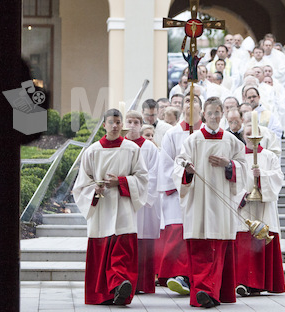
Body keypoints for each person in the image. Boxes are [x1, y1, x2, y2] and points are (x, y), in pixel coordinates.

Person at [173, 97, 247, 308]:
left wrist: (230, 164)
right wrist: (186, 170)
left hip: (221, 204)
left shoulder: (232, 141)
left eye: (217, 112)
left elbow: (244, 168)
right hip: (197, 202)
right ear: (203, 114)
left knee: (217, 248)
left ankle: (209, 292)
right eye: (210, 112)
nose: (214, 116)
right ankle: (204, 291)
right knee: (200, 249)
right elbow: (178, 166)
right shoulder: (192, 140)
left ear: (222, 114)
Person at [72, 108, 148, 305]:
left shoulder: (132, 149)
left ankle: (120, 286)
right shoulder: (92, 151)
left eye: (118, 122)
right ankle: (106, 293)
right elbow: (81, 184)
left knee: (121, 252)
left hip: (123, 207)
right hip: (102, 207)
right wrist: (94, 189)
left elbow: (142, 178)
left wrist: (121, 182)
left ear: (122, 125)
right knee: (103, 249)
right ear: (103, 125)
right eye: (111, 122)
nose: (115, 126)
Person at [156, 94, 203, 296]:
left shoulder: (208, 134)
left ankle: (197, 276)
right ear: (181, 106)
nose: (190, 105)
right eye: (187, 101)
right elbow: (166, 164)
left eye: (195, 102)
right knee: (179, 234)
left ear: (201, 108)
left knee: (201, 234)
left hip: (203, 194)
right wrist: (182, 180)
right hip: (179, 194)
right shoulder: (172, 134)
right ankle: (180, 275)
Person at [235, 122, 285, 297]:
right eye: (248, 134)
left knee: (261, 240)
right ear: (243, 136)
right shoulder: (238, 157)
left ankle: (259, 283)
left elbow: (278, 178)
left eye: (254, 133)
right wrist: (241, 195)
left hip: (264, 206)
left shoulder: (269, 156)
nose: (251, 137)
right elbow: (232, 181)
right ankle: (244, 282)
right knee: (244, 241)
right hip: (245, 205)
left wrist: (262, 176)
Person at [124, 110, 161, 294]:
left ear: (141, 124)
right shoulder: (120, 146)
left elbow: (154, 174)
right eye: (129, 121)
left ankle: (143, 283)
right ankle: (126, 282)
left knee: (143, 243)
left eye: (136, 122)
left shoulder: (149, 147)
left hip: (143, 203)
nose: (132, 125)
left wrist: (141, 196)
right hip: (123, 200)